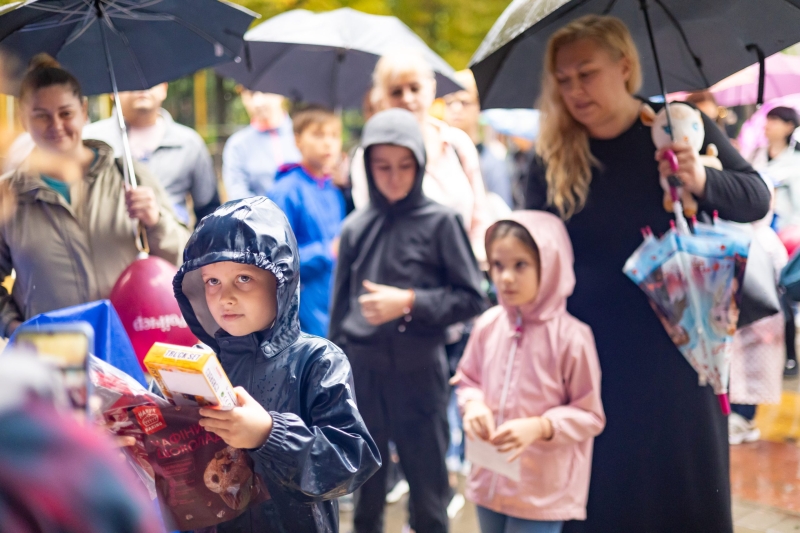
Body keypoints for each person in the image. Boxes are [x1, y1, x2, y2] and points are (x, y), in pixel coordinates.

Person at [523, 15, 770, 533]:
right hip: (592, 355)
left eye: (586, 73)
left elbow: (755, 199)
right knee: (607, 499)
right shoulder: (551, 155)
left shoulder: (677, 126)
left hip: (681, 345)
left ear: (626, 67)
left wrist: (700, 177)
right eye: (563, 80)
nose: (574, 90)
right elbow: (539, 254)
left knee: (684, 491)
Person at [173, 196, 380, 532]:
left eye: (243, 278)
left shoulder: (318, 362)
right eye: (212, 281)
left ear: (281, 281)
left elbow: (351, 462)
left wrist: (270, 434)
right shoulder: (197, 364)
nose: (225, 296)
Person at [329, 108, 486, 533]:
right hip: (365, 374)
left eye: (404, 166)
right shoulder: (358, 226)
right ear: (368, 166)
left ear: (418, 165)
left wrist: (410, 302)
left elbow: (474, 297)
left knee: (429, 492)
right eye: (382, 166)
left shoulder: (441, 221)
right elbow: (339, 316)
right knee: (366, 495)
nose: (394, 177)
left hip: (421, 372)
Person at [0, 55, 188, 338]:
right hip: (52, 360)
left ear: (84, 111)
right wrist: (14, 327)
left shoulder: (128, 176)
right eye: (41, 115)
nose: (56, 125)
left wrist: (155, 221)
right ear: (25, 120)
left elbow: (184, 260)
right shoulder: (9, 195)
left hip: (127, 348)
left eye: (66, 113)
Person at [453, 211, 605, 533]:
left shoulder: (572, 338)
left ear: (549, 265)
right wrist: (474, 405)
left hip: (541, 491)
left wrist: (541, 426)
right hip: (488, 479)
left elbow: (590, 415)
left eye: (520, 265)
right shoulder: (488, 325)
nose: (506, 277)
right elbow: (467, 380)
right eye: (498, 265)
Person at [349, 52, 492, 261]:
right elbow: (371, 224)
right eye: (396, 92)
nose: (407, 98)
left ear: (432, 88)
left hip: (462, 272)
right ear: (381, 99)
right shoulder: (369, 158)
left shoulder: (456, 144)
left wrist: (474, 262)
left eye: (414, 88)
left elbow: (480, 215)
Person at [83, 83, 221, 226]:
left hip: (172, 242)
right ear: (112, 92)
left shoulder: (189, 143)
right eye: (129, 78)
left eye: (151, 80)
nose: (141, 87)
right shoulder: (90, 141)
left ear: (164, 89)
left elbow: (208, 209)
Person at [269, 106, 345, 338]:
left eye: (334, 136)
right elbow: (275, 259)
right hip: (302, 306)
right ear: (298, 139)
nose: (328, 143)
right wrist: (328, 251)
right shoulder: (286, 191)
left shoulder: (333, 189)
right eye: (319, 135)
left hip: (332, 299)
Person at [444, 70, 513, 209]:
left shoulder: (491, 162)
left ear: (479, 106)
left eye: (464, 102)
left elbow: (502, 213)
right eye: (449, 102)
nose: (456, 108)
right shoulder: (438, 155)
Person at [222, 90, 301, 200]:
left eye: (265, 91)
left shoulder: (305, 135)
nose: (258, 102)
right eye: (250, 95)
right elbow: (238, 196)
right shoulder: (238, 145)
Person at [749, 106, 800, 229]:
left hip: (781, 226)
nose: (767, 125)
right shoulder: (756, 153)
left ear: (789, 127)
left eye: (774, 120)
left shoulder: (796, 160)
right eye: (767, 120)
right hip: (752, 220)